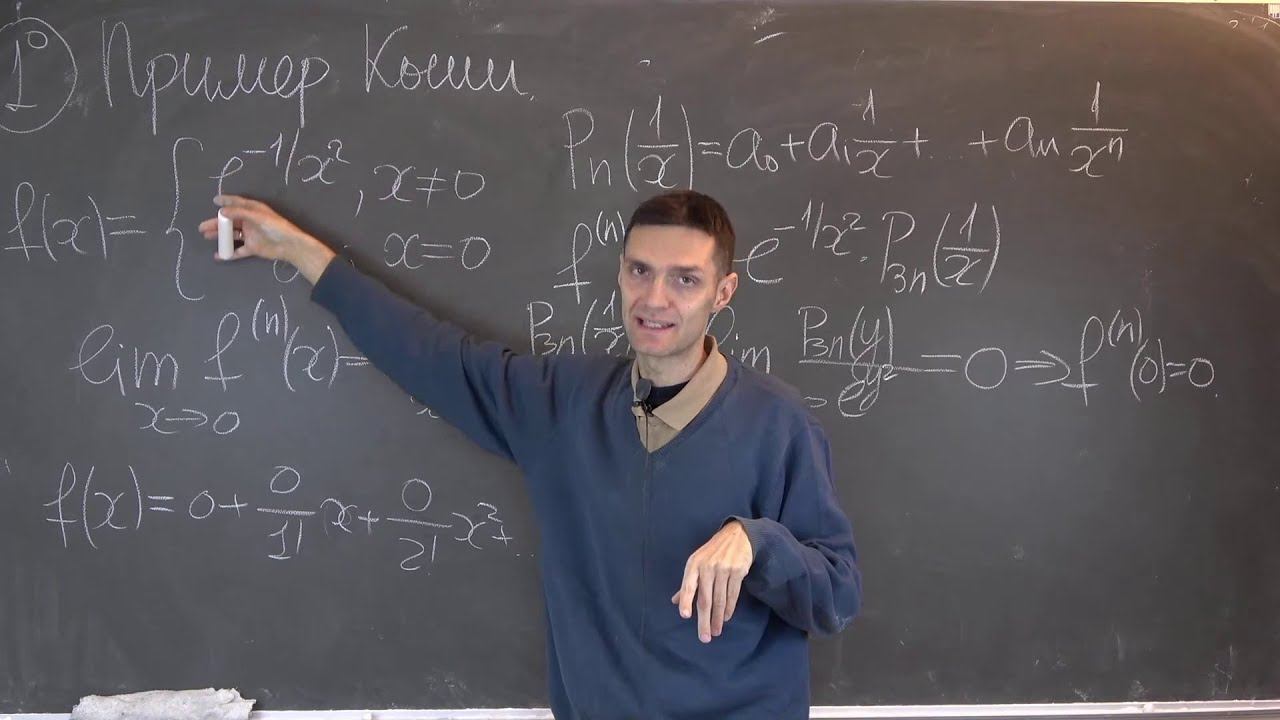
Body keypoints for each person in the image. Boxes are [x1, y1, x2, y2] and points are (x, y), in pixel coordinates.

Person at [200, 189, 861, 719]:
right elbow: (430, 355)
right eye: (640, 271)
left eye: (685, 280)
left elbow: (837, 595)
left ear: (723, 292)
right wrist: (302, 254)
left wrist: (758, 543)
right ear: (621, 274)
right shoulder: (561, 404)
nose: (655, 299)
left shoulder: (779, 425)